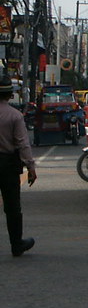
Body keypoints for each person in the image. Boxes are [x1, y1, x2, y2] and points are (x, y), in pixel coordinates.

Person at [0, 75, 35, 256]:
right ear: (10, 94)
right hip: (7, 164)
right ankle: (16, 244)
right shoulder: (14, 116)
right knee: (12, 206)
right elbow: (22, 143)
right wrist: (31, 167)